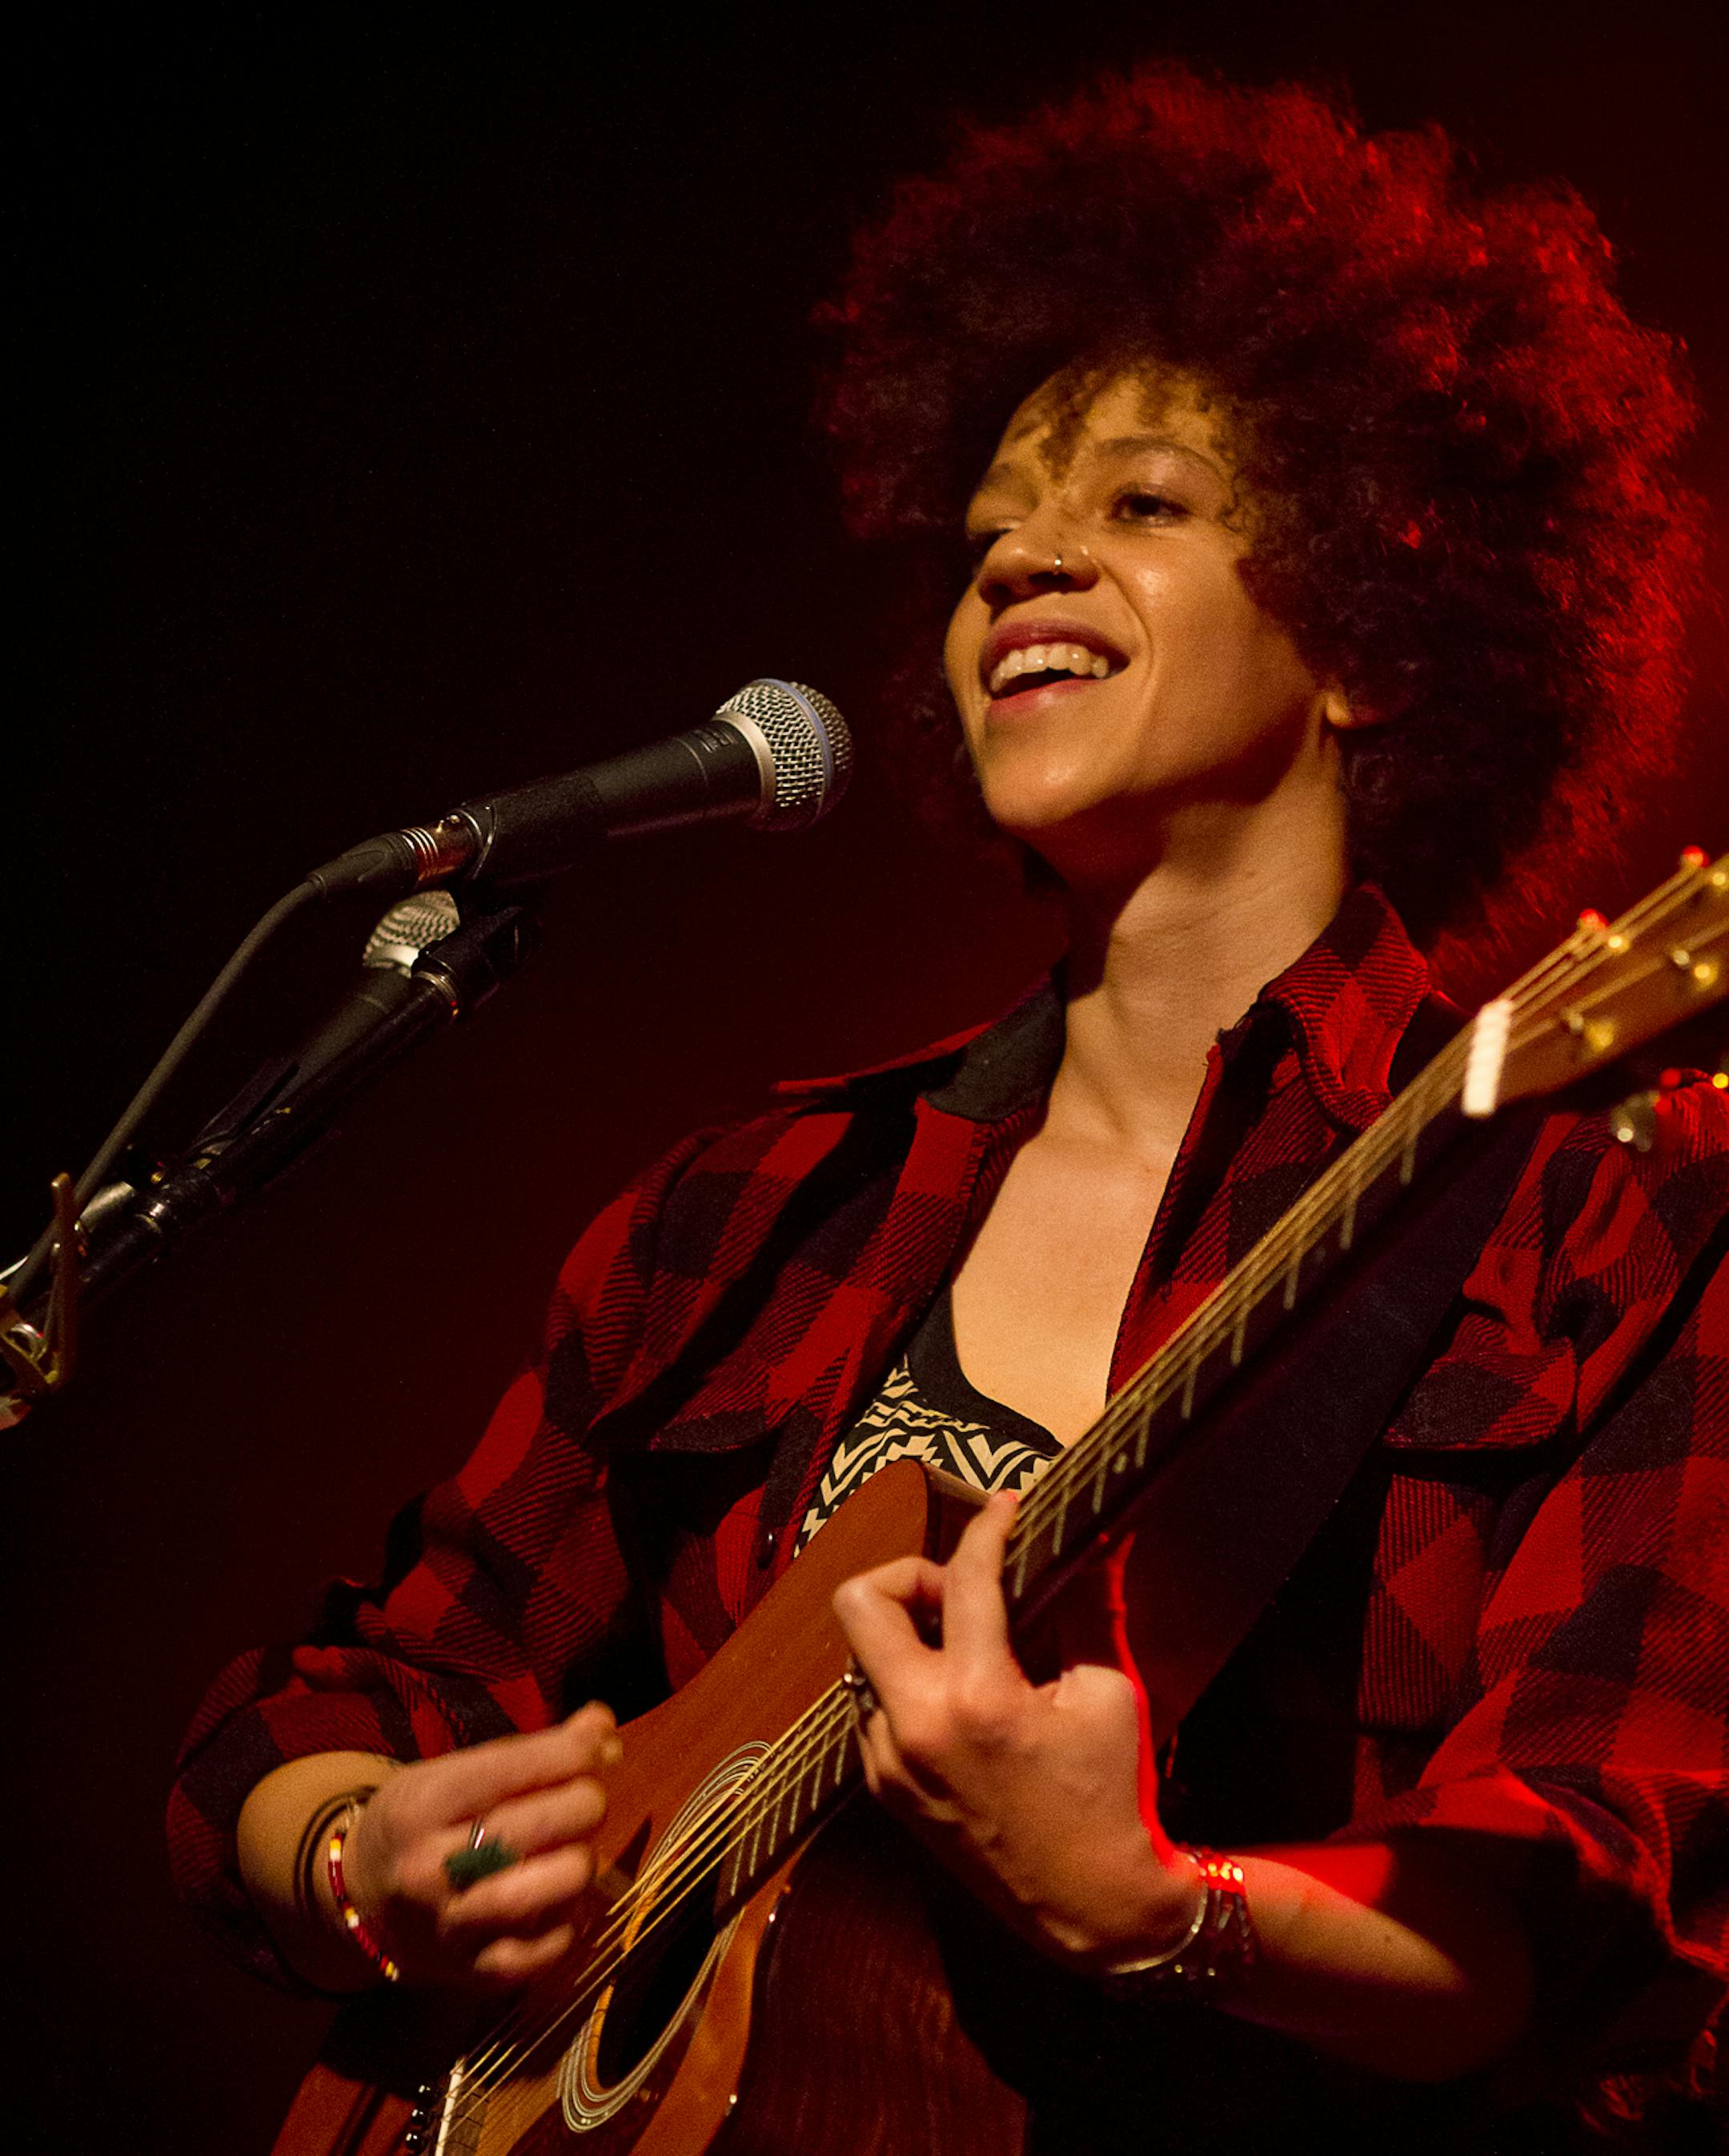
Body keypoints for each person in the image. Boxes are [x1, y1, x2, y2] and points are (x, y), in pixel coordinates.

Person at [170, 67, 1727, 2152]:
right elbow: (321, 1704)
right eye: (987, 539)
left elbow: (1601, 1929)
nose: (1016, 573)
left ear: (1370, 625)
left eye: (1138, 505)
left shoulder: (1578, 1208)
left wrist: (1163, 1913)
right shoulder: (755, 1206)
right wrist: (374, 1860)